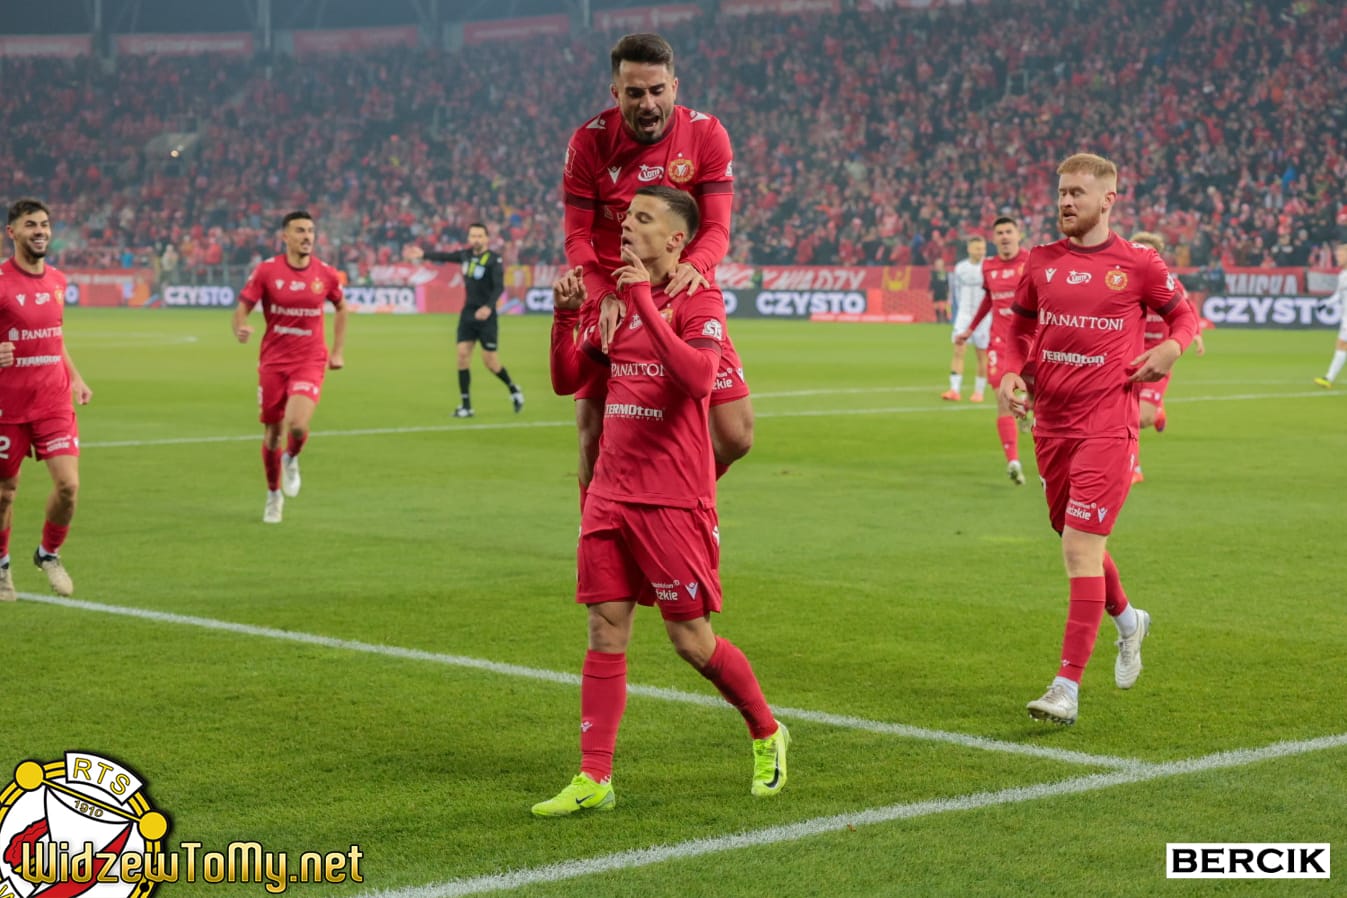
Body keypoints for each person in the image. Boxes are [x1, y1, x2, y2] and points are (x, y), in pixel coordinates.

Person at [536, 186, 788, 816]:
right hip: (611, 494)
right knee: (604, 629)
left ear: (676, 240)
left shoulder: (698, 300)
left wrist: (644, 302)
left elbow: (700, 377)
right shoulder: (612, 300)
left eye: (643, 219)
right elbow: (570, 380)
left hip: (672, 500)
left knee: (690, 640)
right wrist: (566, 318)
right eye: (627, 216)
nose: (627, 226)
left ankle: (766, 730)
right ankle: (595, 778)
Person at [996, 154, 1198, 726]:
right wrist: (1014, 371)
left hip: (1109, 424)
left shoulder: (1138, 263)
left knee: (1079, 549)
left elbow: (1184, 318)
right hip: (1051, 424)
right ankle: (1130, 620)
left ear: (1109, 199)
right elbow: (1019, 327)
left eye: (1078, 193)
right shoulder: (1040, 262)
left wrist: (1171, 348)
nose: (1066, 202)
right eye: (1061, 192)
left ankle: (1066, 687)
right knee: (1073, 534)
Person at [559, 32, 751, 510]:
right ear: (616, 93)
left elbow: (717, 229)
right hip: (613, 294)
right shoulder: (589, 143)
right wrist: (601, 294)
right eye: (635, 92)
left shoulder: (707, 134)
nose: (648, 103)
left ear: (675, 87)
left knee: (735, 436)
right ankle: (601, 538)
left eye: (657, 90)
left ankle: (665, 502)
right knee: (592, 437)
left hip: (685, 291)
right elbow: (577, 238)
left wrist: (697, 266)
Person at [0, 198, 93, 601]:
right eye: (31, 225)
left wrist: (75, 377)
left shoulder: (57, 280)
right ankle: (2, 565)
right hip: (8, 404)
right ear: (12, 233)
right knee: (5, 492)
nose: (40, 231)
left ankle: (48, 553)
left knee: (69, 486)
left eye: (45, 225)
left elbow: (54, 338)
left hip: (53, 399)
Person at [233, 210, 347, 525]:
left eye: (311, 230)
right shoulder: (267, 271)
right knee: (272, 432)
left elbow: (341, 307)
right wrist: (240, 327)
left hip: (310, 359)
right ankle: (273, 495)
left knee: (296, 425)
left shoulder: (325, 273)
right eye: (300, 230)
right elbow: (242, 308)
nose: (307, 236)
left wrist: (337, 351)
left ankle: (292, 457)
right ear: (285, 236)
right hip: (273, 361)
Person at [404, 223, 523, 417]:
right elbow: (445, 257)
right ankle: (466, 406)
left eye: (479, 236)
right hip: (468, 313)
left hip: (486, 316)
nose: (476, 239)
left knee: (491, 363)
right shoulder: (466, 255)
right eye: (473, 236)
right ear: (469, 238)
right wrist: (423, 255)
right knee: (461, 356)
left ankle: (513, 389)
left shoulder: (494, 260)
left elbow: (499, 287)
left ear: (486, 238)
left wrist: (488, 307)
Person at [957, 218, 1032, 484]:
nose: (1004, 236)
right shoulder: (988, 265)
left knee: (1041, 398)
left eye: (1008, 231)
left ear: (1018, 235)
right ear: (994, 238)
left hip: (1032, 341)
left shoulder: (1031, 261)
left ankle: (1027, 405)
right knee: (1002, 400)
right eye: (999, 233)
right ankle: (1013, 461)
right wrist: (970, 328)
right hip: (1000, 343)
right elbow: (989, 299)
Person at [1127, 231, 1206, 483]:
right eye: (1139, 249)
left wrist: (1197, 334)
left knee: (1143, 417)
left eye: (1149, 251)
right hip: (1128, 357)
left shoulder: (1168, 284)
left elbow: (1187, 311)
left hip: (1159, 357)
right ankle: (1133, 468)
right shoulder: (1120, 282)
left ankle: (1158, 413)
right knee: (1124, 415)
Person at [942, 237, 989, 402]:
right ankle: (954, 389)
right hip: (964, 315)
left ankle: (979, 392)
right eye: (977, 248)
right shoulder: (960, 268)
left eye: (982, 248)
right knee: (958, 349)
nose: (980, 251)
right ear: (969, 249)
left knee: (981, 354)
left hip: (984, 317)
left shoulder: (989, 266)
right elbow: (955, 293)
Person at [1312, 242, 1347, 388]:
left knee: (1342, 345)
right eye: (1337, 254)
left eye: (1341, 254)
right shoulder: (1343, 275)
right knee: (1341, 345)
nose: (1337, 257)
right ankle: (1329, 378)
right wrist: (1325, 304)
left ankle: (1329, 378)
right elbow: (1339, 296)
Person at [929, 257, 950, 324]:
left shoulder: (946, 273)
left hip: (943, 291)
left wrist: (948, 292)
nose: (939, 265)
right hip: (936, 291)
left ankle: (946, 319)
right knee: (936, 306)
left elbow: (947, 283)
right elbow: (931, 283)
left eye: (940, 264)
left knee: (944, 306)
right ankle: (938, 319)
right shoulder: (933, 273)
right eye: (937, 264)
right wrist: (930, 291)